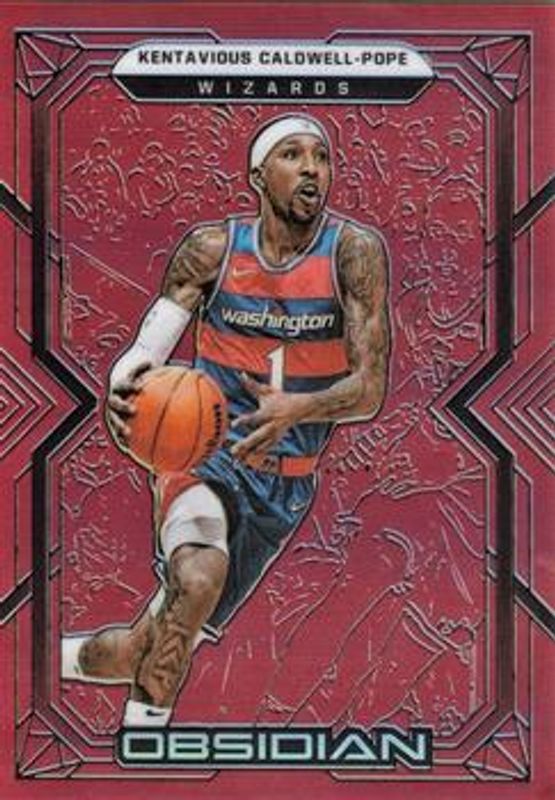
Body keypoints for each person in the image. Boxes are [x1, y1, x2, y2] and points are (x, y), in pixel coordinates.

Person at [61, 114, 391, 727]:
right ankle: (144, 751)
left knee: (149, 646)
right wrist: (122, 387)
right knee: (198, 577)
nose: (312, 169)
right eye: (293, 155)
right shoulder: (214, 248)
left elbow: (369, 390)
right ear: (258, 176)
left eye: (321, 157)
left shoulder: (354, 252)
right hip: (206, 456)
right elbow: (146, 351)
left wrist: (298, 408)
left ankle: (45, 659)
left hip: (285, 486)